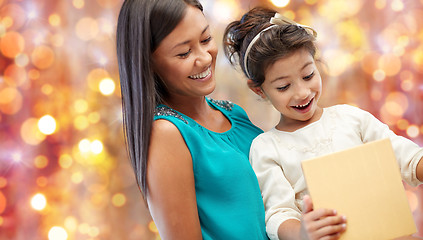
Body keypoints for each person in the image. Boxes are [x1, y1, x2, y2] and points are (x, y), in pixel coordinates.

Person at [223, 6, 423, 240]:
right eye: (283, 87)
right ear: (259, 89)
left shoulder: (351, 118)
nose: (302, 93)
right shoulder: (267, 147)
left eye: (308, 75)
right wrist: (301, 232)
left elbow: (406, 157)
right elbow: (278, 214)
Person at [116, 0, 269, 239]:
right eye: (184, 52)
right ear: (149, 63)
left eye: (206, 39)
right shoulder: (167, 134)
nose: (205, 58)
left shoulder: (234, 113)